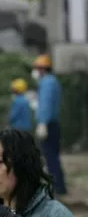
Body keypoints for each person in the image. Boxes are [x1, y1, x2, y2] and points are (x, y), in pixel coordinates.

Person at [32, 54, 66, 195]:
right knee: (53, 156)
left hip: (49, 123)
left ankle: (57, 187)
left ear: (42, 69)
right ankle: (60, 186)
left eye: (37, 68)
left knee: (50, 155)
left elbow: (46, 104)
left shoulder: (47, 83)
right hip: (53, 123)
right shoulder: (53, 81)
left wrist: (43, 123)